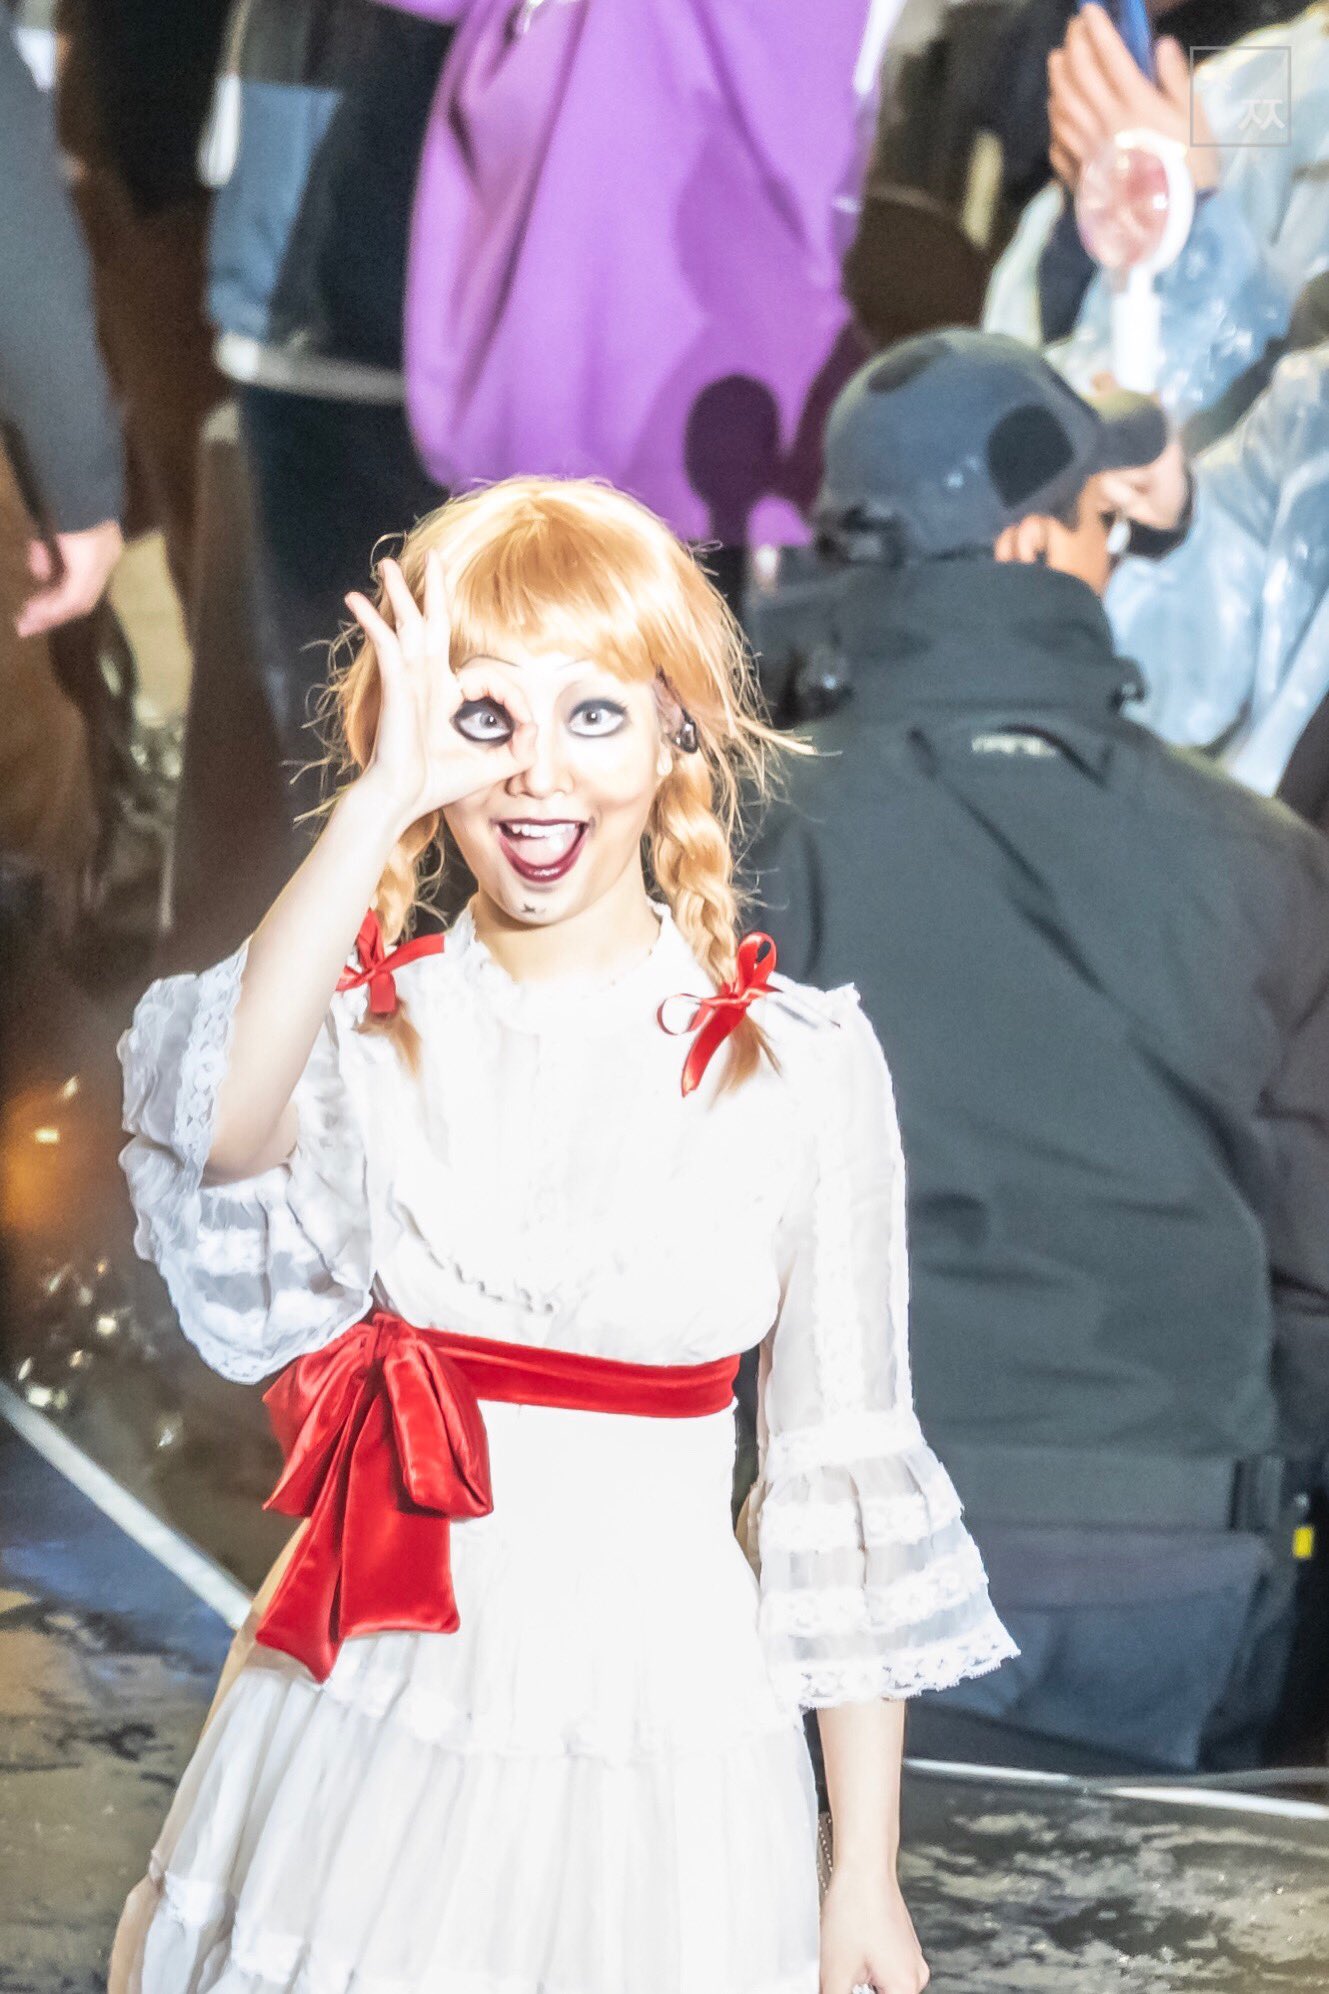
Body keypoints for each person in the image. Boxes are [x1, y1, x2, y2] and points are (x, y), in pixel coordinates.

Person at [107, 477, 1014, 1992]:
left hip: (669, 1740)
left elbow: (836, 1466)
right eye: (485, 718)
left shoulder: (798, 1065)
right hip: (376, 1706)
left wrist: (861, 1872)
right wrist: (376, 800)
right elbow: (215, 1124)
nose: (538, 774)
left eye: (594, 713)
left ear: (676, 733)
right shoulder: (362, 1028)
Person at [749, 330, 1329, 1773]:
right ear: (1027, 540)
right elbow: (1314, 1282)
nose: (1114, 550)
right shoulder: (1259, 857)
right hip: (1180, 1564)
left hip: (849, 1551)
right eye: (1094, 517)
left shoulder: (749, 835)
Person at [984, 3, 1329, 440]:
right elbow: (1026, 353)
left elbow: (1287, 448)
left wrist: (1192, 230)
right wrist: (1089, 212)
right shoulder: (1254, 80)